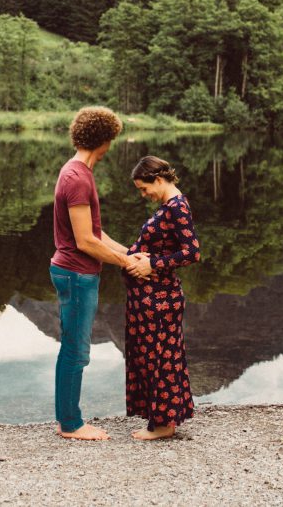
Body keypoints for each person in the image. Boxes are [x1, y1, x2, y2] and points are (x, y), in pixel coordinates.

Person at [50, 106, 147, 441]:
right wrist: (127, 264)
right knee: (76, 350)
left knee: (74, 347)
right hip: (76, 274)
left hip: (77, 273)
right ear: (103, 139)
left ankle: (69, 419)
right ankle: (70, 424)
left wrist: (129, 253)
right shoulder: (77, 178)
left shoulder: (79, 173)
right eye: (112, 140)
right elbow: (85, 242)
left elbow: (97, 232)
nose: (111, 146)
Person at [122, 155, 200, 440]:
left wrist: (151, 264)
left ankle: (165, 425)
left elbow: (192, 252)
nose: (144, 195)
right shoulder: (169, 206)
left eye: (145, 188)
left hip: (161, 299)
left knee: (162, 358)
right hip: (152, 299)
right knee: (155, 357)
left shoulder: (177, 207)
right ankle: (161, 419)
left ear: (158, 179)